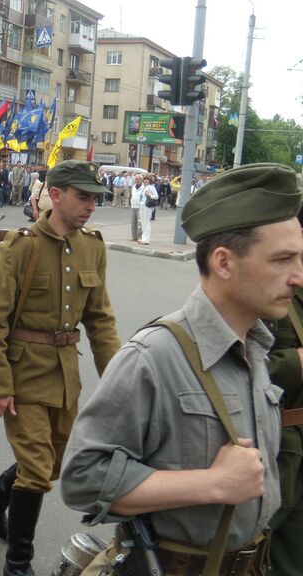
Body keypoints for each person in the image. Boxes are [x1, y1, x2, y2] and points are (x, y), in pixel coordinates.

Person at [61, 163, 303, 576]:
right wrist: (212, 484)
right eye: (283, 260)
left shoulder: (254, 348)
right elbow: (83, 477)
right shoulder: (155, 356)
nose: (297, 276)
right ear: (224, 263)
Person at [0, 160, 120, 576]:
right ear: (56, 195)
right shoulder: (19, 248)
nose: (91, 206)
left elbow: (100, 319)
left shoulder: (92, 245)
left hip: (65, 373)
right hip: (21, 375)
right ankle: (18, 563)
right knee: (37, 469)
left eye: (95, 198)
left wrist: (119, 376)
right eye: (83, 197)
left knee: (54, 462)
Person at [265, 208, 303, 576]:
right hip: (279, 444)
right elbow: (232, 367)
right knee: (255, 546)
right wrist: (296, 364)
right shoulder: (271, 290)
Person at [138, 174, 158, 245]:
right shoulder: (144, 187)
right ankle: (143, 238)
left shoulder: (151, 187)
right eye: (145, 179)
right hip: (142, 206)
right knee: (143, 223)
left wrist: (149, 194)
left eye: (147, 180)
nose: (145, 181)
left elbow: (156, 197)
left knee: (146, 223)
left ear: (150, 181)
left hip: (147, 207)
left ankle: (147, 239)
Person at [128, 173, 144, 242]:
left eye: (138, 179)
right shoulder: (134, 186)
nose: (137, 180)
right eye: (136, 179)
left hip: (140, 206)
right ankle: (134, 237)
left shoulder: (144, 187)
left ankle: (139, 237)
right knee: (133, 222)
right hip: (133, 206)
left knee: (140, 223)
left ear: (141, 180)